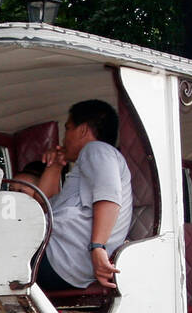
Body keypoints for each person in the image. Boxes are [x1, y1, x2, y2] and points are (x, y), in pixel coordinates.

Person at [35, 100, 133, 291]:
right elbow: (42, 205)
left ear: (82, 131)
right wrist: (55, 166)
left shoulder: (97, 150)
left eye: (68, 129)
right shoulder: (90, 164)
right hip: (63, 262)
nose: (64, 139)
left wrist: (98, 247)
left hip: (61, 257)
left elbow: (109, 197)